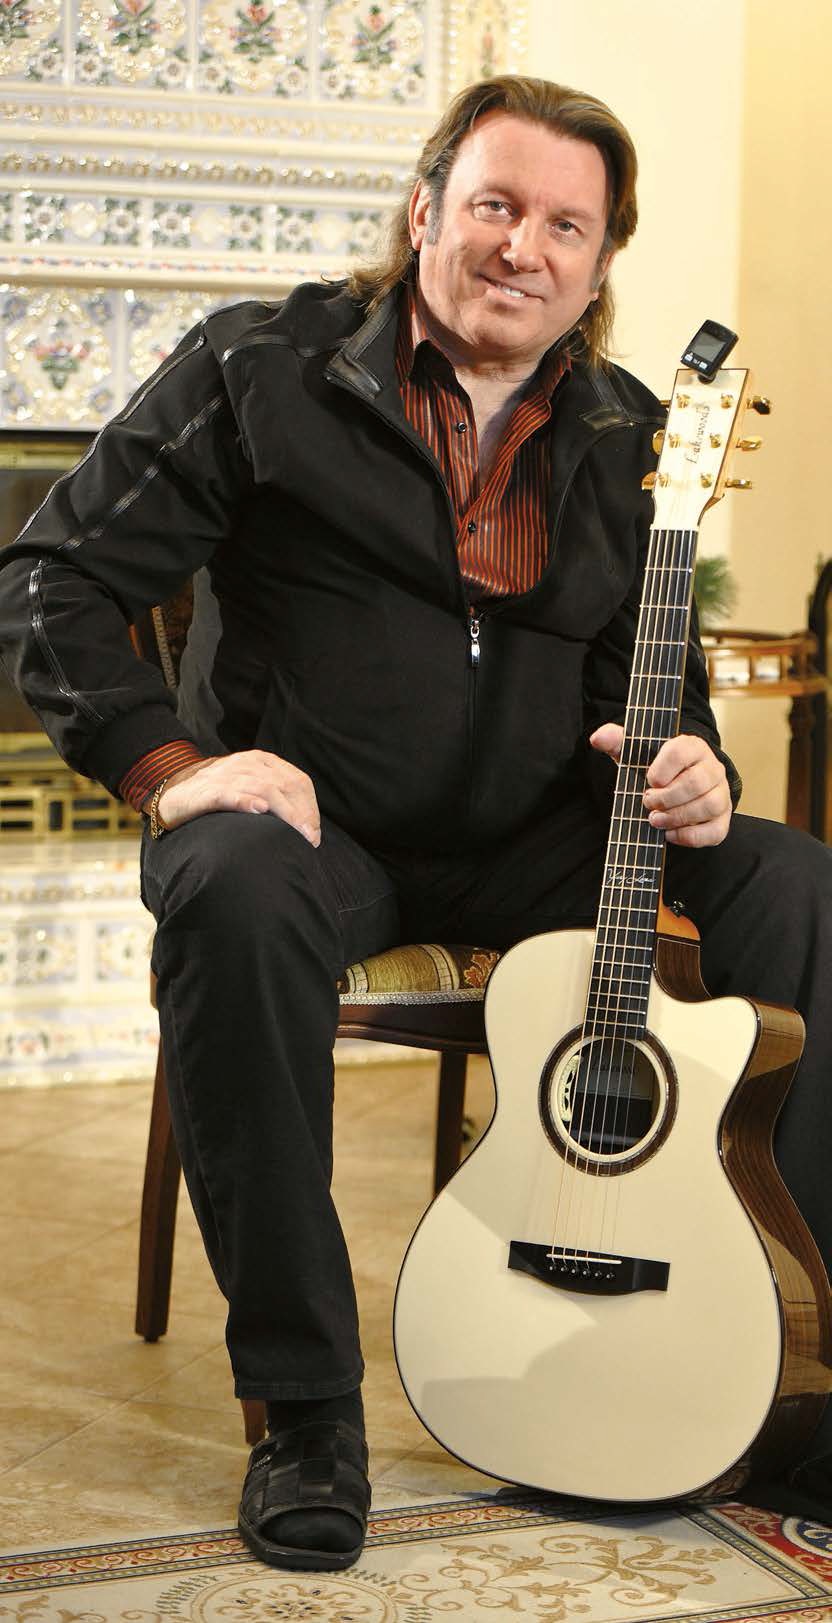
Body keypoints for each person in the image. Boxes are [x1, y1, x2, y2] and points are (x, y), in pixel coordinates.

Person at [0, 74, 830, 1570]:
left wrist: (694, 767)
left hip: (541, 843)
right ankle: (306, 1409)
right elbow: (50, 579)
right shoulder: (256, 367)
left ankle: (802, 1375)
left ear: (601, 260)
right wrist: (168, 765)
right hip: (322, 838)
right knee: (230, 882)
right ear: (425, 211)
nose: (524, 247)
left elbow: (655, 694)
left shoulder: (635, 435)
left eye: (566, 225)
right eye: (496, 205)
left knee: (795, 881)